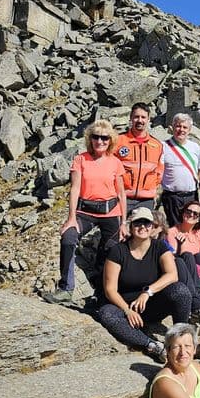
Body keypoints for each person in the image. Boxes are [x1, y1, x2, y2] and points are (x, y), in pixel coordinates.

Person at [43, 119, 126, 305]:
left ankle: (102, 294)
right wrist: (71, 218)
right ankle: (65, 288)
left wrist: (124, 222)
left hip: (111, 212)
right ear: (90, 138)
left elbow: (121, 193)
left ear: (110, 140)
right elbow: (74, 189)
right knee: (69, 238)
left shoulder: (115, 162)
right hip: (85, 211)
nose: (100, 141)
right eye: (96, 137)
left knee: (110, 251)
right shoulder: (81, 159)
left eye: (104, 138)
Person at [95, 207, 192, 361]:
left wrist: (148, 292)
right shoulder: (117, 251)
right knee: (106, 314)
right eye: (137, 223)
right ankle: (152, 345)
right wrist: (127, 310)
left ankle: (181, 340)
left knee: (180, 291)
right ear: (131, 227)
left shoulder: (159, 246)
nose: (142, 227)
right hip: (124, 307)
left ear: (153, 227)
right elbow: (110, 289)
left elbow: (172, 275)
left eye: (146, 223)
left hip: (150, 304)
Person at [114, 103, 164, 213]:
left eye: (143, 117)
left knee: (142, 230)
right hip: (122, 197)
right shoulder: (118, 141)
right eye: (136, 117)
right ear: (131, 118)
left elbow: (159, 172)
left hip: (146, 200)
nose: (139, 120)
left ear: (148, 119)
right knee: (119, 229)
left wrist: (152, 188)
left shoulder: (157, 145)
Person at [161, 113, 200, 227]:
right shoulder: (164, 146)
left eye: (185, 127)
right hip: (172, 197)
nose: (181, 130)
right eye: (178, 126)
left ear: (189, 130)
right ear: (172, 127)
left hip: (191, 196)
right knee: (174, 228)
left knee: (190, 227)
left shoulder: (195, 147)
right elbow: (158, 171)